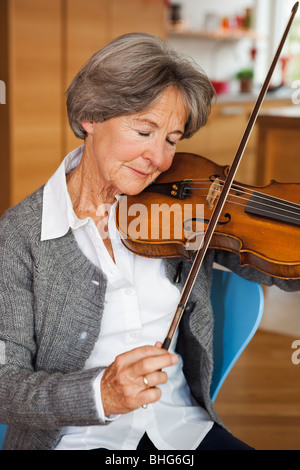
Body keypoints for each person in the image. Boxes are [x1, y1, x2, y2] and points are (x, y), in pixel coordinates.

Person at [0, 32, 298, 451]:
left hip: (183, 433)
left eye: (172, 139)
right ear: (91, 116)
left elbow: (276, 261)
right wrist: (99, 393)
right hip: (75, 441)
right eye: (144, 131)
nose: (160, 159)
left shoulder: (184, 212)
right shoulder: (20, 237)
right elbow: (5, 384)